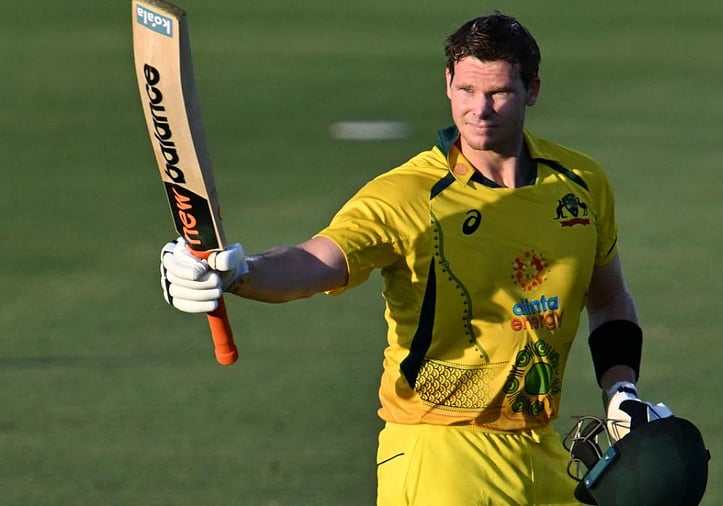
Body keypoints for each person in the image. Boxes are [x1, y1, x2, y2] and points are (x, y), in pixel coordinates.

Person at [160, 12, 672, 506]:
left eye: (498, 93)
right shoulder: (407, 195)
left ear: (532, 90)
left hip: (542, 447)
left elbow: (608, 299)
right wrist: (241, 272)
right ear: (448, 82)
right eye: (467, 90)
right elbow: (317, 260)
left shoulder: (580, 185)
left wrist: (620, 389)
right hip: (438, 453)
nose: (480, 109)